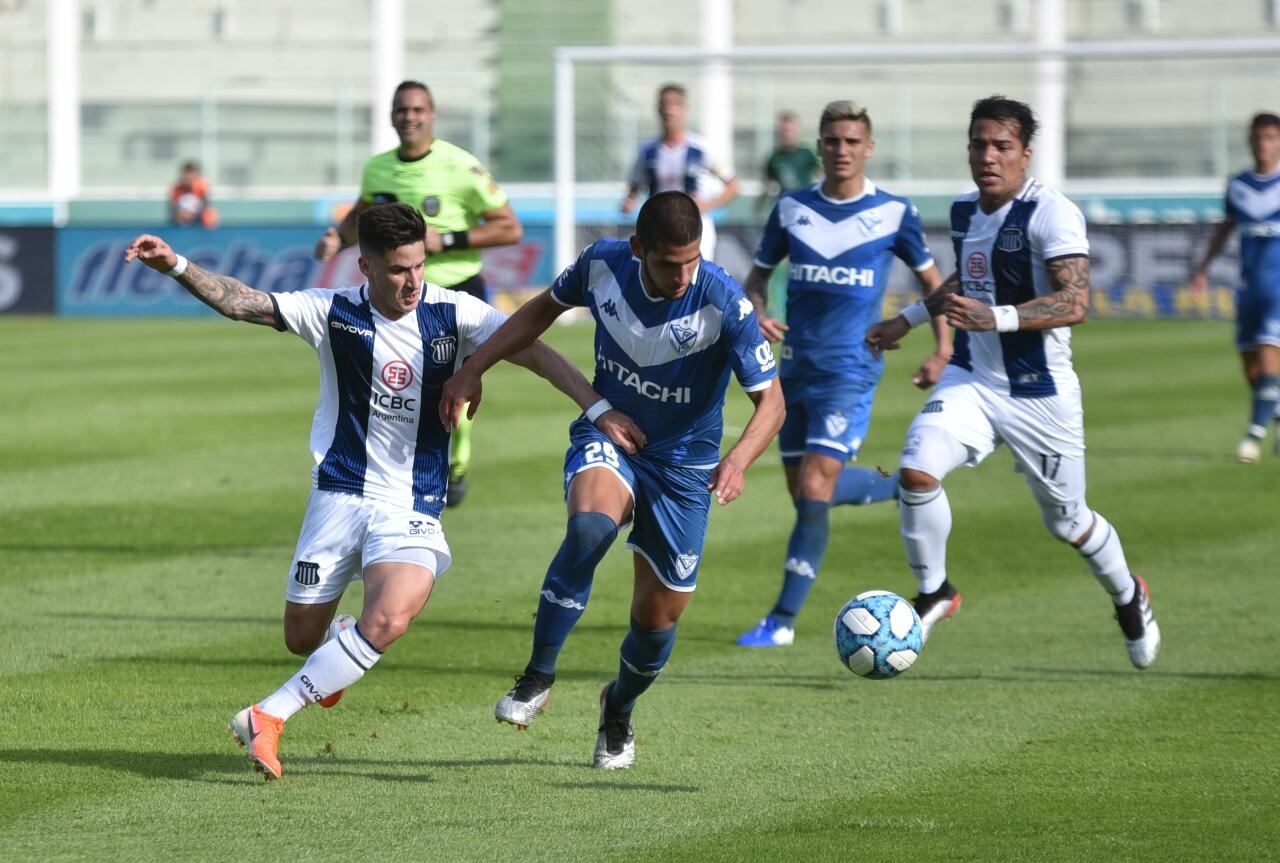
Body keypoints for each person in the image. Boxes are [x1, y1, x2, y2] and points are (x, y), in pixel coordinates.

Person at [126, 203, 622, 780]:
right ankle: (338, 642)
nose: (412, 281)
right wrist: (177, 265)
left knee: (387, 619)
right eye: (397, 270)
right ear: (364, 266)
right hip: (337, 497)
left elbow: (535, 350)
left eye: (418, 266)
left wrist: (599, 408)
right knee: (301, 637)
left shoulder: (452, 310)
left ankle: (269, 714)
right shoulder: (331, 313)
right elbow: (244, 302)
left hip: (411, 505)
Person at [441, 191, 784, 769]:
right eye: (669, 262)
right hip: (613, 435)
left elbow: (771, 403)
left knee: (658, 621)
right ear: (638, 248)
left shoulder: (724, 300)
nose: (682, 275)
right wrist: (475, 366)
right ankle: (537, 675)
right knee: (589, 528)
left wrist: (737, 461)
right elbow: (536, 313)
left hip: (686, 468)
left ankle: (617, 707)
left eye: (692, 260)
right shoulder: (602, 264)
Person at [864, 95, 1160, 669]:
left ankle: (1128, 596)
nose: (988, 156)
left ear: (1025, 154)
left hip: (1037, 393)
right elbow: (969, 274)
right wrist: (909, 319)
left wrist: (998, 317)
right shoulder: (963, 210)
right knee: (917, 470)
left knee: (1068, 523)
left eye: (1001, 146)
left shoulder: (1052, 212)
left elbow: (1077, 300)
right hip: (973, 375)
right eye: (978, 144)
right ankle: (935, 592)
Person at [735, 100, 949, 648]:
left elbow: (935, 284)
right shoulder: (791, 208)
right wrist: (757, 312)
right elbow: (756, 277)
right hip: (794, 371)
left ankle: (781, 621)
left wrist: (942, 348)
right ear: (819, 146)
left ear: (868, 147)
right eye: (832, 140)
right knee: (807, 495)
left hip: (851, 370)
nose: (841, 150)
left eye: (852, 141)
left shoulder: (894, 213)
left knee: (813, 486)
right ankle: (903, 487)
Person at [316, 80, 524, 507]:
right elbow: (362, 213)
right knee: (401, 381)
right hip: (398, 296)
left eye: (417, 110)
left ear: (432, 114)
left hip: (456, 291)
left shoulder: (459, 166)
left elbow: (509, 226)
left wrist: (446, 242)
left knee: (454, 381)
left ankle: (456, 458)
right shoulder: (377, 168)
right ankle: (402, 462)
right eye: (400, 110)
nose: (408, 118)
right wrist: (337, 238)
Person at [1189, 112, 1280, 463]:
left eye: (1270, 137)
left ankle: (1252, 437)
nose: (1263, 144)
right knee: (1251, 365)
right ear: (1250, 141)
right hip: (1250, 286)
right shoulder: (1238, 185)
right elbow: (1226, 226)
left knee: (1270, 352)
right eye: (1258, 138)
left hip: (1278, 287)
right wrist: (1203, 268)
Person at [620, 84, 740, 261]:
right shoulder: (647, 151)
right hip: (657, 228)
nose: (670, 110)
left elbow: (734, 186)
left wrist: (707, 205)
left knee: (694, 280)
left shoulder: (701, 148)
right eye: (665, 104)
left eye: (675, 104)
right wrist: (629, 201)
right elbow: (634, 188)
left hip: (696, 228)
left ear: (685, 109)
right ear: (658, 109)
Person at [754, 110, 820, 218]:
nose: (787, 133)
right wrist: (757, 212)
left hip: (806, 207)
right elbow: (766, 186)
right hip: (784, 209)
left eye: (790, 130)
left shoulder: (808, 152)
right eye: (784, 130)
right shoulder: (774, 157)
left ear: (797, 130)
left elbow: (825, 173)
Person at [169, 161, 218, 228]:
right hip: (181, 226)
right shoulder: (177, 189)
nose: (188, 177)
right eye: (186, 173)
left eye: (191, 173)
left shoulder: (201, 188)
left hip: (201, 226)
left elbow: (205, 206)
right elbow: (173, 210)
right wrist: (180, 215)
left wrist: (191, 215)